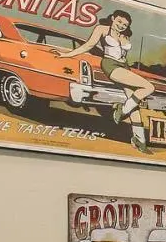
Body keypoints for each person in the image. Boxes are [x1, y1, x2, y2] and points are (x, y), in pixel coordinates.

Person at [60, 10, 153, 153]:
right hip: (110, 65)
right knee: (149, 87)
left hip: (124, 67)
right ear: (113, 18)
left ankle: (139, 141)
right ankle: (121, 110)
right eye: (119, 22)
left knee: (134, 105)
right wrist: (67, 55)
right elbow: (88, 46)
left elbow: (123, 54)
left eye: (125, 25)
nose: (121, 26)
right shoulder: (102, 29)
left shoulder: (125, 35)